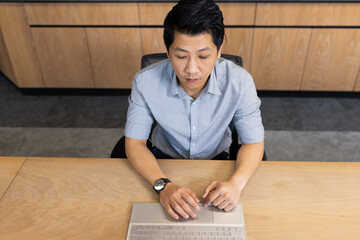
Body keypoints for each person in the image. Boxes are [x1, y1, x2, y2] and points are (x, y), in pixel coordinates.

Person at [125, 0, 264, 220]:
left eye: (203, 56)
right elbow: (135, 143)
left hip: (219, 163)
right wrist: (162, 186)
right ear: (168, 51)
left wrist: (236, 183)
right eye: (180, 56)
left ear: (219, 50)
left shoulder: (240, 82)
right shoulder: (145, 82)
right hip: (162, 163)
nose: (191, 69)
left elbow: (253, 142)